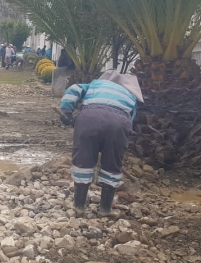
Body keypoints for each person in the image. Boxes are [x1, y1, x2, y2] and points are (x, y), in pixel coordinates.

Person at [59, 70, 143, 217]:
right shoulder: (131, 95)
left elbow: (74, 89)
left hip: (89, 118)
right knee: (112, 163)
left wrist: (67, 111)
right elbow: (130, 121)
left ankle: (78, 206)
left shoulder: (94, 84)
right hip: (119, 123)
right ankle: (105, 209)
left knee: (83, 160)